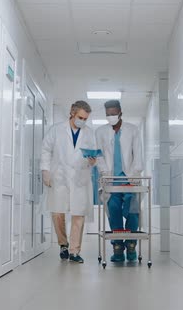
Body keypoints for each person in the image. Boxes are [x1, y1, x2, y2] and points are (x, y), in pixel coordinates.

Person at [40, 100, 97, 264]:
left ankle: (74, 251)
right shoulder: (56, 130)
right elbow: (46, 150)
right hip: (60, 176)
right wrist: (45, 171)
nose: (83, 121)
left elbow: (92, 154)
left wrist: (92, 161)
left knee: (78, 214)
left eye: (86, 119)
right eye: (80, 117)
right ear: (72, 113)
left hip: (80, 178)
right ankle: (63, 244)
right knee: (57, 212)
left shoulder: (89, 133)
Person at [95, 100, 143, 262]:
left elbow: (138, 154)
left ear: (121, 112)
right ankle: (117, 248)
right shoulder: (100, 132)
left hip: (130, 178)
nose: (111, 117)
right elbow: (99, 155)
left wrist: (136, 174)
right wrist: (104, 172)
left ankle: (131, 245)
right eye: (108, 114)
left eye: (113, 113)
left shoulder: (132, 130)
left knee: (133, 211)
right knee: (113, 210)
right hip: (110, 180)